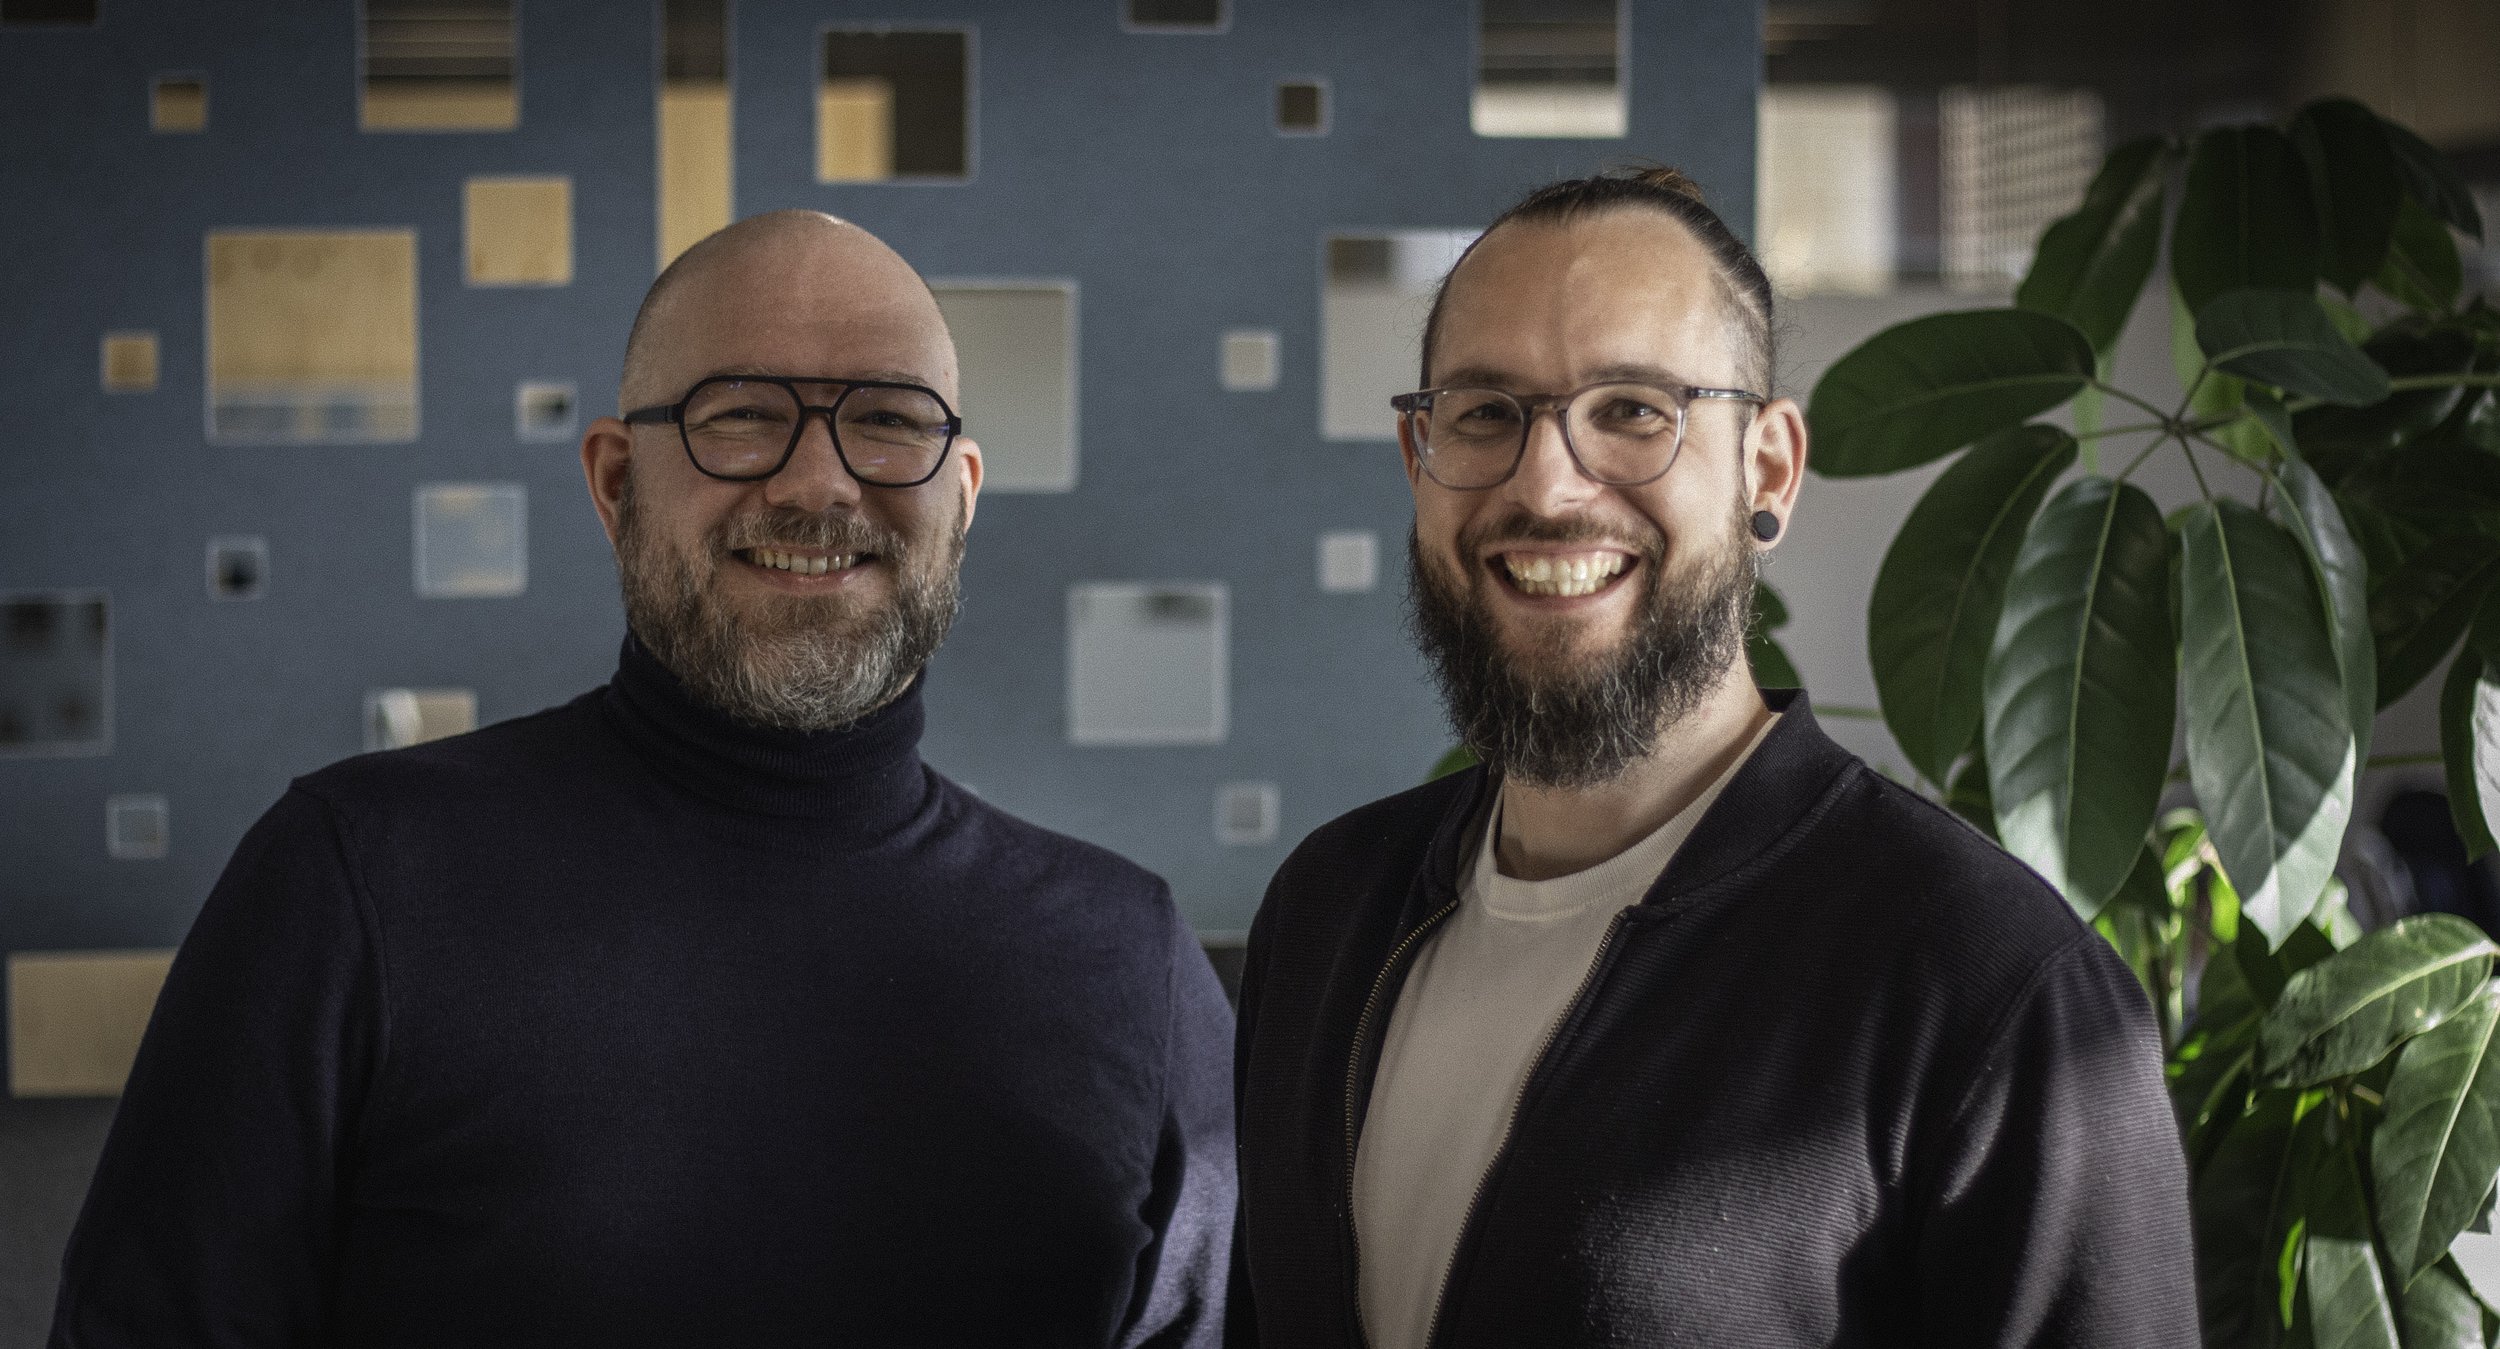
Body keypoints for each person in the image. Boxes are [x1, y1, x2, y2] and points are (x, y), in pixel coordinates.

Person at [51, 210, 1233, 1347]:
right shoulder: (354, 881)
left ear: (961, 493)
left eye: (885, 417)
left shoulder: (1129, 953)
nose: (816, 483)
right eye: (738, 415)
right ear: (616, 481)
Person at [1228, 168, 2194, 1346]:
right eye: (1485, 413)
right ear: (1416, 458)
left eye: (1633, 409)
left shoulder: (1993, 985)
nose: (1545, 481)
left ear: (1768, 469)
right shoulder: (1329, 907)